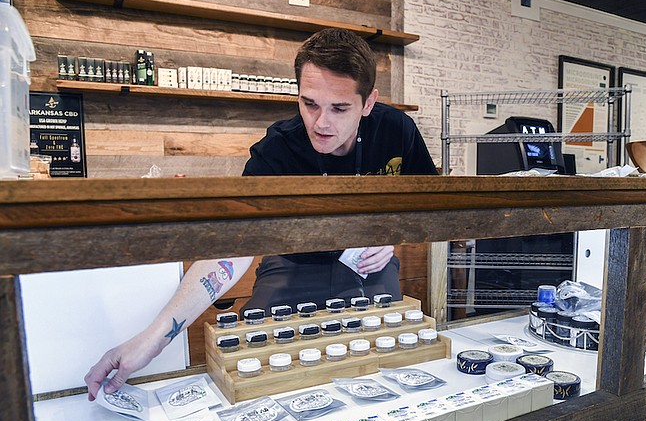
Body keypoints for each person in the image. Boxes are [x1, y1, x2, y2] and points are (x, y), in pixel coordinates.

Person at [84, 28, 437, 401]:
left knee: (387, 362)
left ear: (368, 103)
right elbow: (232, 247)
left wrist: (393, 236)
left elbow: (427, 206)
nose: (320, 123)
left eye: (339, 108)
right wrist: (151, 339)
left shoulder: (397, 130)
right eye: (309, 104)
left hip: (370, 263)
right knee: (258, 357)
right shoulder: (276, 150)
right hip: (292, 264)